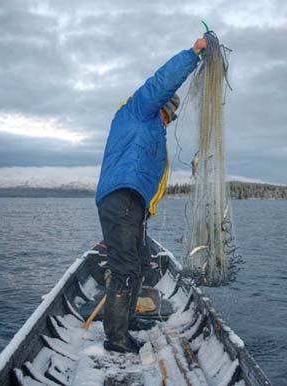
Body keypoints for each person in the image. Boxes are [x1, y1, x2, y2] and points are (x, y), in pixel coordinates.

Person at [95, 37, 207, 353]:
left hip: (135, 206)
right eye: (167, 115)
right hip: (120, 197)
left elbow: (155, 180)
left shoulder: (156, 133)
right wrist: (193, 54)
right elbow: (161, 81)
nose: (167, 122)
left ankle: (125, 321)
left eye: (170, 119)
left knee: (140, 263)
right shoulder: (137, 111)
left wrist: (148, 211)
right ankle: (115, 338)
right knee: (124, 268)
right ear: (160, 106)